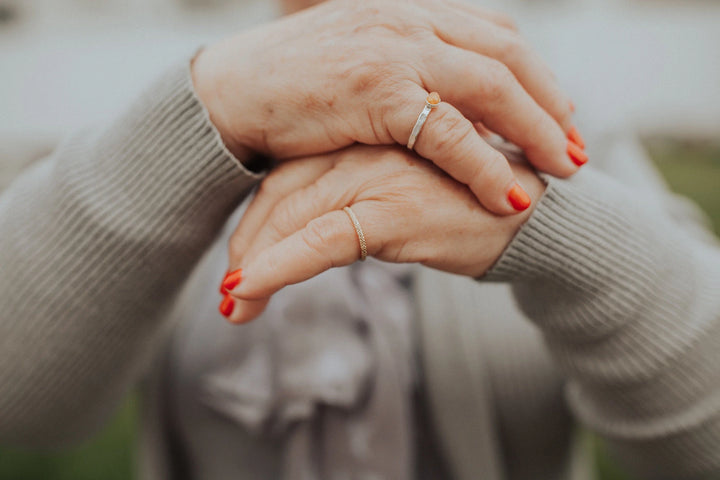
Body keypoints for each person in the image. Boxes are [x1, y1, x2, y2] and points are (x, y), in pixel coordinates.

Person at [0, 1, 717, 480]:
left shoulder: (546, 107)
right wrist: (210, 107)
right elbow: (23, 408)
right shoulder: (154, 115)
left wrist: (563, 232)